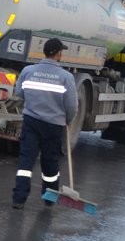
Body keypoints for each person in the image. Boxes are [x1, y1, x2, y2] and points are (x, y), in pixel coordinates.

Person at [11, 37, 81, 209]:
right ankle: (49, 198)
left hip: (31, 121)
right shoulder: (66, 77)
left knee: (26, 161)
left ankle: (18, 199)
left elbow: (19, 93)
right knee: (50, 162)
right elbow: (71, 106)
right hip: (53, 125)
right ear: (58, 54)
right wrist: (68, 119)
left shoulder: (28, 71)